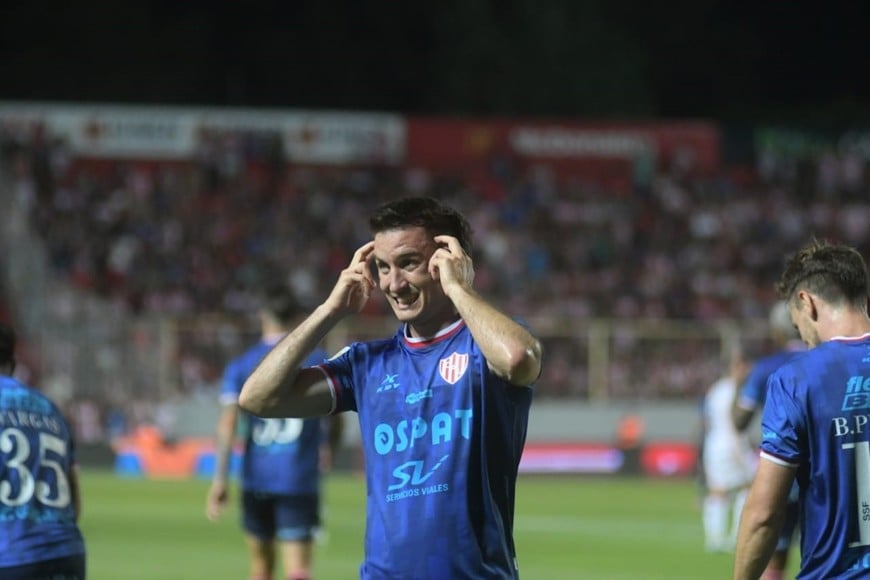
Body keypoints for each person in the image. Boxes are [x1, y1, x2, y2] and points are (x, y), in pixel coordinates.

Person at [238, 196, 543, 579]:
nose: (393, 284)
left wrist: (459, 289)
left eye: (409, 263)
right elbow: (257, 398)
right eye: (382, 267)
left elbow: (518, 359)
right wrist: (329, 310)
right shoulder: (366, 363)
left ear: (448, 260)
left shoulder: (485, 348)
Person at [734, 239, 870, 579]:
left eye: (799, 328)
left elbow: (764, 515)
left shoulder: (797, 378)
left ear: (806, 303)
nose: (805, 340)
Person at [206, 284, 343, 580]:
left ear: (262, 315)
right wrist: (329, 446)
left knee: (260, 568)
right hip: (298, 478)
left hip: (256, 477)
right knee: (298, 570)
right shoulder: (316, 358)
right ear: (296, 316)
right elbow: (338, 416)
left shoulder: (242, 365)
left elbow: (227, 425)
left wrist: (220, 480)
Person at [0, 323, 86, 579]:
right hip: (66, 554)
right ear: (12, 361)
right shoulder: (48, 407)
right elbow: (75, 502)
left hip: (9, 557)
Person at [731, 301, 805, 579]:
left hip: (780, 470)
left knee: (775, 553)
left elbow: (739, 422)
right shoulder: (827, 361)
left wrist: (738, 382)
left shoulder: (764, 369)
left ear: (778, 331)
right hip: (828, 472)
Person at [701, 348, 755, 552]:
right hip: (729, 445)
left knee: (718, 492)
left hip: (714, 444)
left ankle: (714, 538)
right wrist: (741, 452)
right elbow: (733, 426)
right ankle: (735, 535)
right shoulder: (735, 391)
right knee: (745, 488)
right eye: (744, 367)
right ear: (736, 368)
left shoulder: (716, 389)